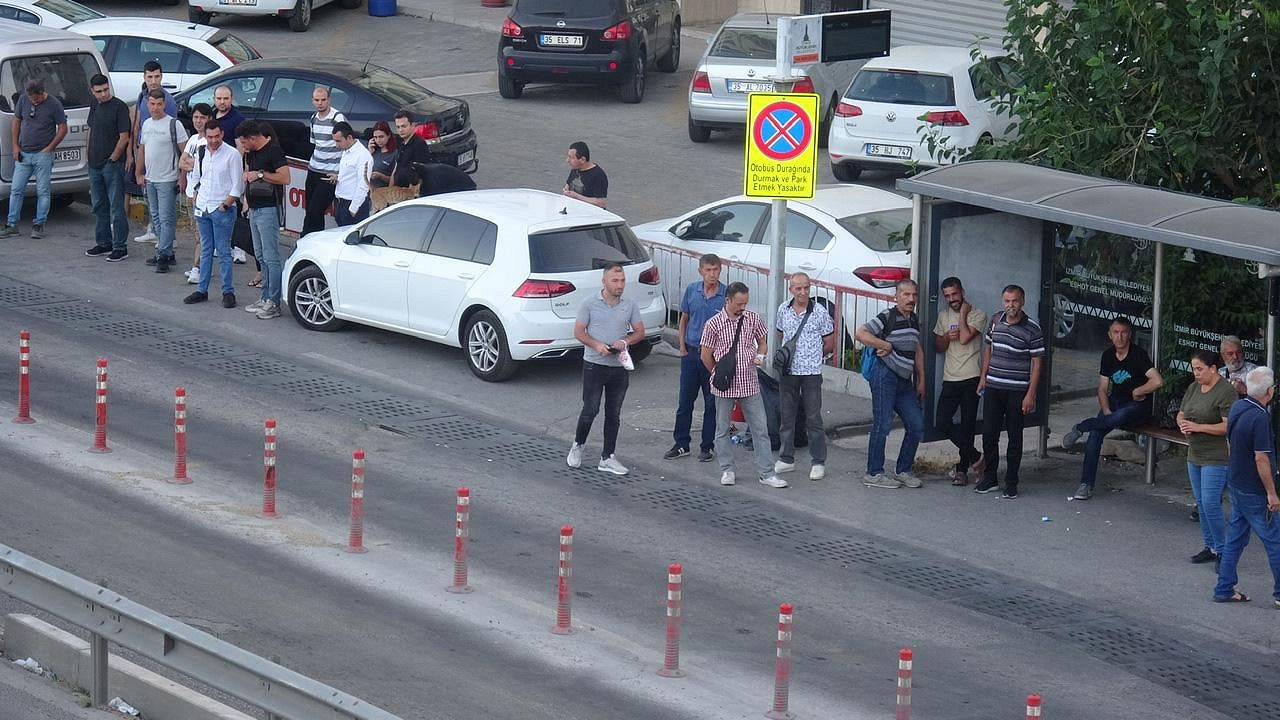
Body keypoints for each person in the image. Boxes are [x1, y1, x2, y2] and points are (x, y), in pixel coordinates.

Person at [1061, 316, 1163, 500]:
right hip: (1114, 403)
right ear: (1110, 335)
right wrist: (1106, 410)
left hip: (1137, 406)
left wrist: (1139, 390)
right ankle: (1086, 484)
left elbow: (1157, 381)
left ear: (1130, 334)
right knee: (1096, 435)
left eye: (1124, 332)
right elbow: (1102, 389)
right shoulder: (1107, 355)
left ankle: (1081, 427)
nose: (1120, 337)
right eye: (1116, 332)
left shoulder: (1138, 354)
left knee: (1119, 416)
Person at [701, 282, 786, 489]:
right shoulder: (713, 324)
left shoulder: (752, 318)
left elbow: (763, 340)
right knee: (722, 429)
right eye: (739, 303)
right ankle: (727, 469)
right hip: (725, 385)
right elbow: (705, 354)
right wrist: (718, 373)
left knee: (760, 428)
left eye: (745, 303)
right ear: (728, 300)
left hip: (749, 382)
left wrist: (760, 355)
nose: (742, 307)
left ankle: (767, 473)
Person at [567, 264, 645, 476]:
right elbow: (579, 332)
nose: (619, 285)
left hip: (618, 366)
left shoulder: (629, 304)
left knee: (614, 413)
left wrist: (624, 341)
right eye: (615, 281)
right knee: (590, 409)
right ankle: (578, 445)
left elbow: (639, 332)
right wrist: (596, 345)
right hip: (594, 364)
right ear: (604, 282)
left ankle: (607, 456)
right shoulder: (589, 303)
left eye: (622, 281)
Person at [1213, 366, 1280, 608]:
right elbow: (1261, 458)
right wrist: (1272, 493)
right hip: (1255, 490)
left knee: (1235, 539)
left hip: (1237, 483)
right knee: (1275, 541)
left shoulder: (1239, 407)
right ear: (1269, 391)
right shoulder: (1260, 417)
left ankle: (1224, 588)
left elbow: (1231, 442)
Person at [975, 285, 1045, 499]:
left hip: (1017, 390)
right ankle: (990, 478)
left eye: (1014, 301)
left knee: (1015, 437)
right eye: (1007, 301)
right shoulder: (996, 320)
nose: (1010, 305)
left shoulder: (1033, 329)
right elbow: (989, 348)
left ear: (1022, 301)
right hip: (994, 387)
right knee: (989, 434)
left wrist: (1031, 394)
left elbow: (1037, 364)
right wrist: (983, 378)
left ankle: (1012, 482)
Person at [856, 279, 925, 489]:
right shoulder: (888, 316)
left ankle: (903, 470)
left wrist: (921, 379)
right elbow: (861, 333)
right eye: (905, 294)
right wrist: (884, 344)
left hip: (904, 380)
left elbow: (917, 349)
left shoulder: (913, 319)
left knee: (916, 425)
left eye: (914, 295)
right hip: (884, 375)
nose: (910, 299)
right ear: (896, 296)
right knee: (883, 424)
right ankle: (874, 473)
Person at [1176, 349, 1236, 566]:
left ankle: (1223, 551)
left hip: (1216, 456)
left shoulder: (1226, 391)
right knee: (1201, 503)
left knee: (1211, 503)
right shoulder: (1193, 387)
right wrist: (1182, 423)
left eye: (1200, 369)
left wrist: (1198, 427)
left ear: (1213, 369)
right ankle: (1210, 546)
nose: (1196, 373)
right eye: (1194, 368)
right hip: (1195, 453)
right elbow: (1181, 412)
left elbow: (1227, 425)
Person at [665, 253, 725, 463]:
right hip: (691, 353)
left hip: (714, 358)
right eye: (708, 270)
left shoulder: (725, 295)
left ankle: (707, 446)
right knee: (685, 402)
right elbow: (684, 319)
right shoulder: (692, 290)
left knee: (711, 404)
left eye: (715, 270)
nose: (712, 274)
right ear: (700, 271)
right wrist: (681, 346)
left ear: (720, 269)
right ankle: (681, 443)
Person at [774, 273, 834, 481]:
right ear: (791, 289)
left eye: (806, 288)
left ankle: (818, 461)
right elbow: (782, 335)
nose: (803, 292)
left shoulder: (819, 312)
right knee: (787, 416)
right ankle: (786, 458)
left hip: (811, 372)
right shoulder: (783, 309)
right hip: (789, 372)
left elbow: (829, 341)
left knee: (813, 417)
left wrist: (814, 356)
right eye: (798, 288)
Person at [933, 276, 988, 485]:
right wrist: (946, 336)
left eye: (954, 294)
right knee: (943, 422)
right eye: (947, 296)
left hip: (972, 377)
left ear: (962, 292)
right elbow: (938, 346)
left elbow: (965, 338)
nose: (951, 299)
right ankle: (976, 457)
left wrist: (963, 315)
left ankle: (962, 471)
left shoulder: (977, 314)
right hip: (950, 377)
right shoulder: (943, 315)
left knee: (967, 426)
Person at [182, 123, 243, 309]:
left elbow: (238, 185)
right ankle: (202, 289)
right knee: (206, 250)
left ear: (222, 134)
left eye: (217, 136)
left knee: (224, 252)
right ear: (205, 136)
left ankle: (228, 291)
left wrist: (225, 205)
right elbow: (197, 177)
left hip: (221, 208)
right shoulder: (201, 152)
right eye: (210, 137)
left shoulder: (232, 154)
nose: (214, 140)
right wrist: (195, 196)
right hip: (203, 207)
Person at [0, 80, 67, 240]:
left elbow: (63, 128)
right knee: (16, 189)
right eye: (31, 98)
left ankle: (38, 225)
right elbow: (17, 121)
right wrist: (15, 146)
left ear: (42, 92)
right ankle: (12, 225)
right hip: (24, 153)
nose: (33, 101)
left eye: (36, 98)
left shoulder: (54, 104)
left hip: (43, 154)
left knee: (42, 191)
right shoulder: (24, 99)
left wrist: (50, 147)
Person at [237, 121, 289, 320]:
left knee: (271, 256)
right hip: (255, 209)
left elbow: (285, 178)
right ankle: (265, 295)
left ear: (252, 138)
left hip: (268, 208)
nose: (242, 146)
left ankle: (273, 302)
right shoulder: (251, 153)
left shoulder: (273, 151)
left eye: (243, 142)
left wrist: (259, 174)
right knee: (259, 254)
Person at [134, 89, 188, 271]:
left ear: (164, 104)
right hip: (150, 179)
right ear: (147, 104)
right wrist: (139, 172)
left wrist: (182, 177)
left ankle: (163, 255)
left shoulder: (174, 125)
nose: (155, 108)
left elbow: (185, 154)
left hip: (168, 179)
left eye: (159, 104)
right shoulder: (147, 124)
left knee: (166, 218)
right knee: (155, 216)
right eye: (152, 104)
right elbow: (142, 149)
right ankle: (167, 252)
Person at [129, 60, 178, 245]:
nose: (153, 80)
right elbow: (139, 125)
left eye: (157, 76)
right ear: (144, 77)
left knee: (165, 209)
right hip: (146, 155)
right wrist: (133, 154)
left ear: (162, 76)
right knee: (152, 203)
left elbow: (172, 134)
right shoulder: (143, 96)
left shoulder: (168, 102)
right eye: (150, 77)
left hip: (163, 163)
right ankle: (154, 231)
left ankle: (167, 240)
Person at [83, 74, 131, 260]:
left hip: (112, 165)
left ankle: (120, 246)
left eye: (105, 90)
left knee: (116, 207)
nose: (103, 94)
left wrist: (113, 159)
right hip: (94, 164)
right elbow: (91, 129)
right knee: (98, 205)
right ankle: (104, 243)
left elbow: (124, 136)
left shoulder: (119, 107)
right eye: (99, 91)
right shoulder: (94, 105)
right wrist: (88, 155)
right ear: (92, 91)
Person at [302, 87, 346, 235]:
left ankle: (307, 238)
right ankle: (312, 239)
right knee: (310, 210)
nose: (320, 103)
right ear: (312, 101)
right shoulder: (314, 118)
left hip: (329, 173)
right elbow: (315, 143)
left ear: (329, 100)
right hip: (314, 168)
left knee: (316, 210)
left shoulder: (337, 118)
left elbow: (346, 145)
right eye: (317, 100)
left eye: (323, 100)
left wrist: (338, 173)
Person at [178, 103, 213, 284]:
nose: (198, 121)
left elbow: (204, 169)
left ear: (209, 120)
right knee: (196, 234)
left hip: (202, 195)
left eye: (202, 118)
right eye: (196, 117)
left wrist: (193, 164)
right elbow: (182, 163)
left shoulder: (209, 142)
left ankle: (198, 268)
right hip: (190, 192)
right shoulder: (192, 140)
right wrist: (192, 165)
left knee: (202, 235)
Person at [331, 121, 372, 226]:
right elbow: (350, 174)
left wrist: (353, 209)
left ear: (349, 137)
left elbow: (363, 185)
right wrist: (338, 177)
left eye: (338, 141)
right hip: (342, 203)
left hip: (353, 205)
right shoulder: (346, 150)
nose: (336, 145)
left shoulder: (363, 156)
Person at [563, 141, 607, 208]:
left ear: (582, 160)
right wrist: (566, 191)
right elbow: (568, 184)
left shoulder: (598, 175)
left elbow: (602, 203)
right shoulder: (575, 168)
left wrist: (576, 196)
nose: (567, 160)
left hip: (589, 215)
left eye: (571, 158)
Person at [367, 121, 397, 189]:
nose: (378, 140)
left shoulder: (394, 154)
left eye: (381, 137)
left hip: (382, 192)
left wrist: (381, 176)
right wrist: (369, 153)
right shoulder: (373, 151)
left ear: (388, 135)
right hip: (367, 191)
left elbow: (396, 180)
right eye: (375, 137)